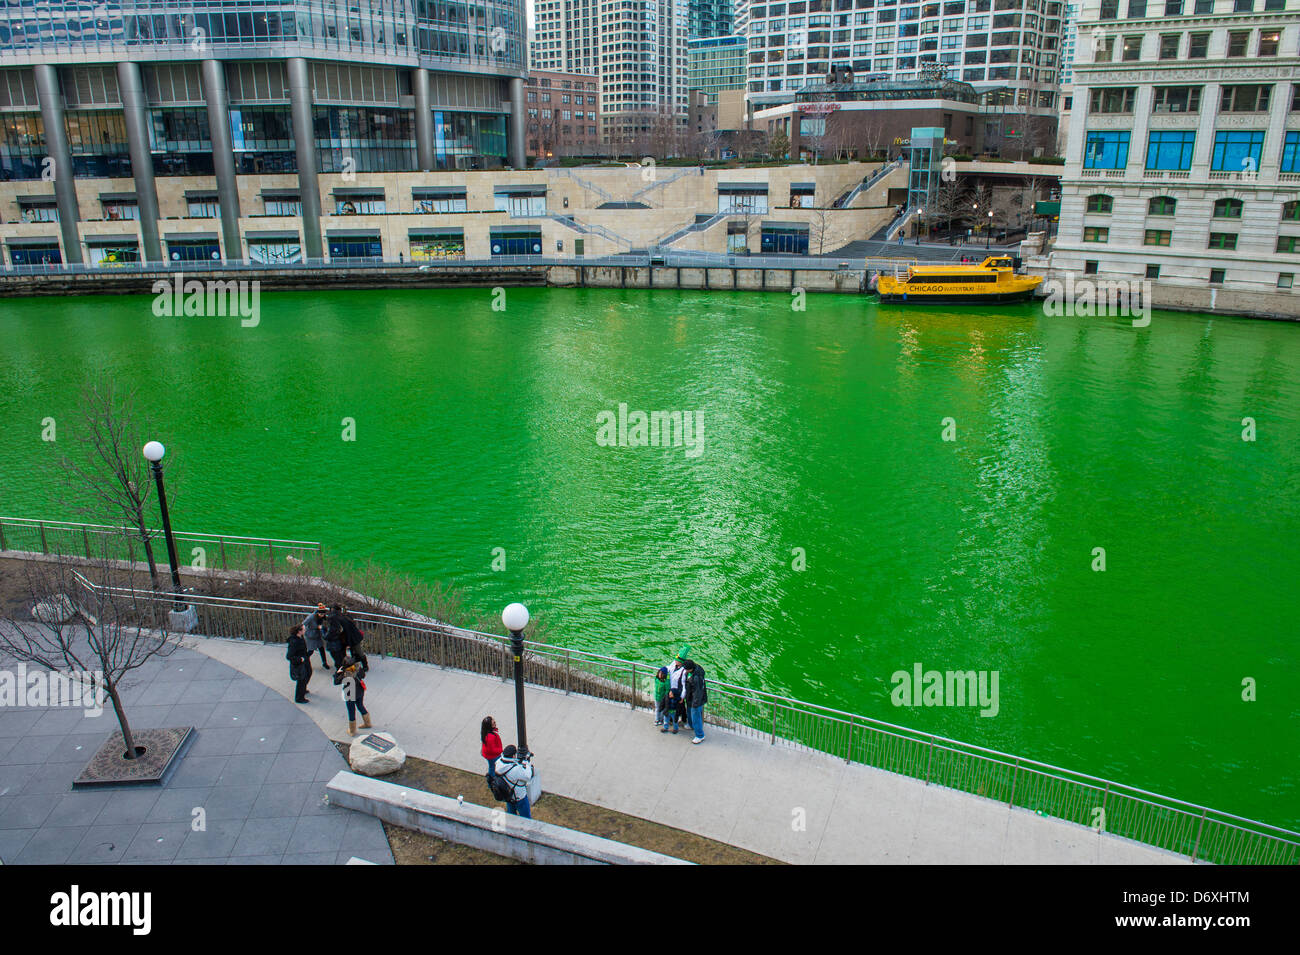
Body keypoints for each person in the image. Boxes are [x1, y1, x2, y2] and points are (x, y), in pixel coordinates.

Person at [333, 653, 370, 736]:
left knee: (351, 711)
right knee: (360, 706)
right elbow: (363, 676)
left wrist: (337, 673)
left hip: (350, 693)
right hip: (360, 691)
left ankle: (352, 731)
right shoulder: (358, 668)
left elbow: (335, 682)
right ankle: (367, 723)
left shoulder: (344, 674)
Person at [494, 745, 535, 818]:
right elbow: (528, 776)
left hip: (507, 794)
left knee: (511, 816)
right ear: (513, 756)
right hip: (519, 797)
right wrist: (526, 762)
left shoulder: (498, 763)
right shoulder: (515, 770)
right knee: (526, 818)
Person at [683, 658, 708, 744]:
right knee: (690, 713)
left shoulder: (697, 678)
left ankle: (700, 735)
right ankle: (691, 725)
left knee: (696, 717)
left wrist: (695, 703)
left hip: (695, 701)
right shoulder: (695, 671)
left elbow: (698, 692)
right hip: (690, 698)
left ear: (690, 669)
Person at [286, 624, 311, 704]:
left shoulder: (300, 638)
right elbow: (289, 656)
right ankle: (299, 698)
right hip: (299, 664)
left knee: (308, 673)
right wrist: (300, 659)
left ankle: (303, 690)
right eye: (303, 629)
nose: (305, 630)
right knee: (301, 680)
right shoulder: (294, 642)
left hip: (304, 660)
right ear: (299, 631)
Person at [303, 604, 330, 668]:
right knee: (310, 651)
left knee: (321, 649)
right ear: (318, 613)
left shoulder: (321, 617)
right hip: (311, 636)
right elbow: (303, 624)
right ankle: (304, 661)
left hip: (317, 635)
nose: (322, 616)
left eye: (323, 614)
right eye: (321, 614)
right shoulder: (311, 617)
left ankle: (324, 663)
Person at [481, 715, 503, 782]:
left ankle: (492, 778)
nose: (495, 723)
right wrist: (501, 750)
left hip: (489, 755)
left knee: (492, 766)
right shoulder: (490, 737)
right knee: (493, 768)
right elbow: (492, 750)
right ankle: (493, 780)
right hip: (493, 756)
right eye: (493, 723)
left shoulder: (486, 732)